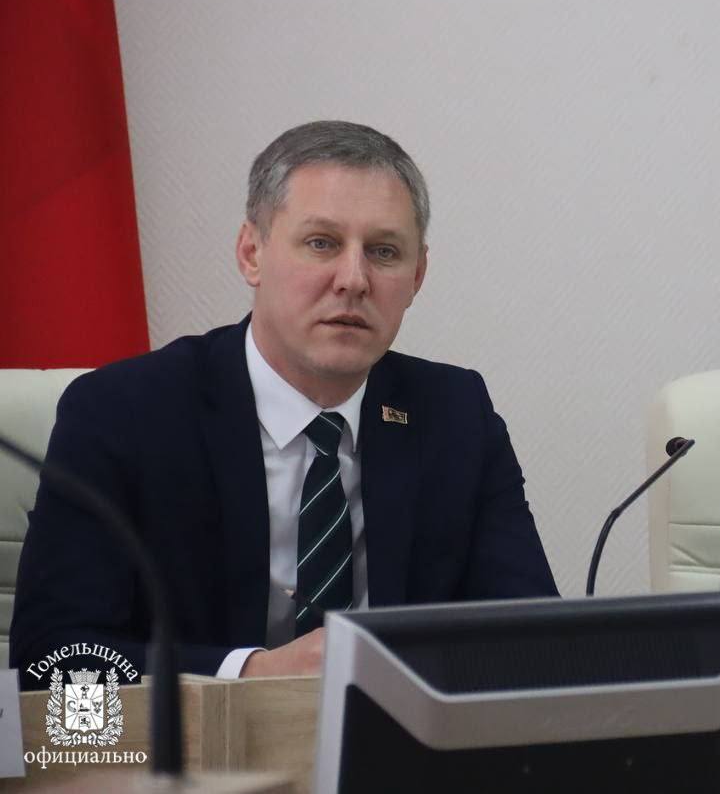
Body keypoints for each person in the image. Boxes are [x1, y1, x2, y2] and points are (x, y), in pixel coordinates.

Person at [11, 121, 558, 687]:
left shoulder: (455, 415)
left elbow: (535, 645)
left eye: (384, 252)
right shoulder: (124, 412)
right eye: (322, 243)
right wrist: (251, 673)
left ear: (417, 275)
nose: (354, 280)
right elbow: (47, 668)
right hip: (197, 742)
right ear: (252, 253)